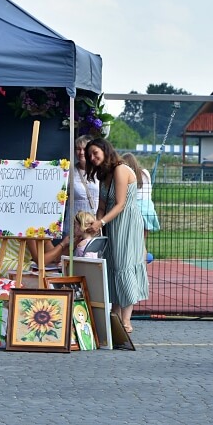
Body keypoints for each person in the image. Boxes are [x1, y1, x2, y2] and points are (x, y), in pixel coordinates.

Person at [85, 137, 148, 333]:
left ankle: (126, 321)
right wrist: (97, 225)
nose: (92, 158)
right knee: (112, 266)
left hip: (127, 223)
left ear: (105, 151)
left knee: (123, 265)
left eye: (95, 153)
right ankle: (115, 315)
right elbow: (102, 206)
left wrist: (101, 222)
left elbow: (120, 204)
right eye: (89, 155)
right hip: (112, 224)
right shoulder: (104, 175)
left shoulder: (121, 169)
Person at [72, 134, 99, 215]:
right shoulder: (69, 172)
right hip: (75, 219)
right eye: (78, 149)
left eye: (84, 149)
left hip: (95, 219)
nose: (81, 152)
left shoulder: (100, 171)